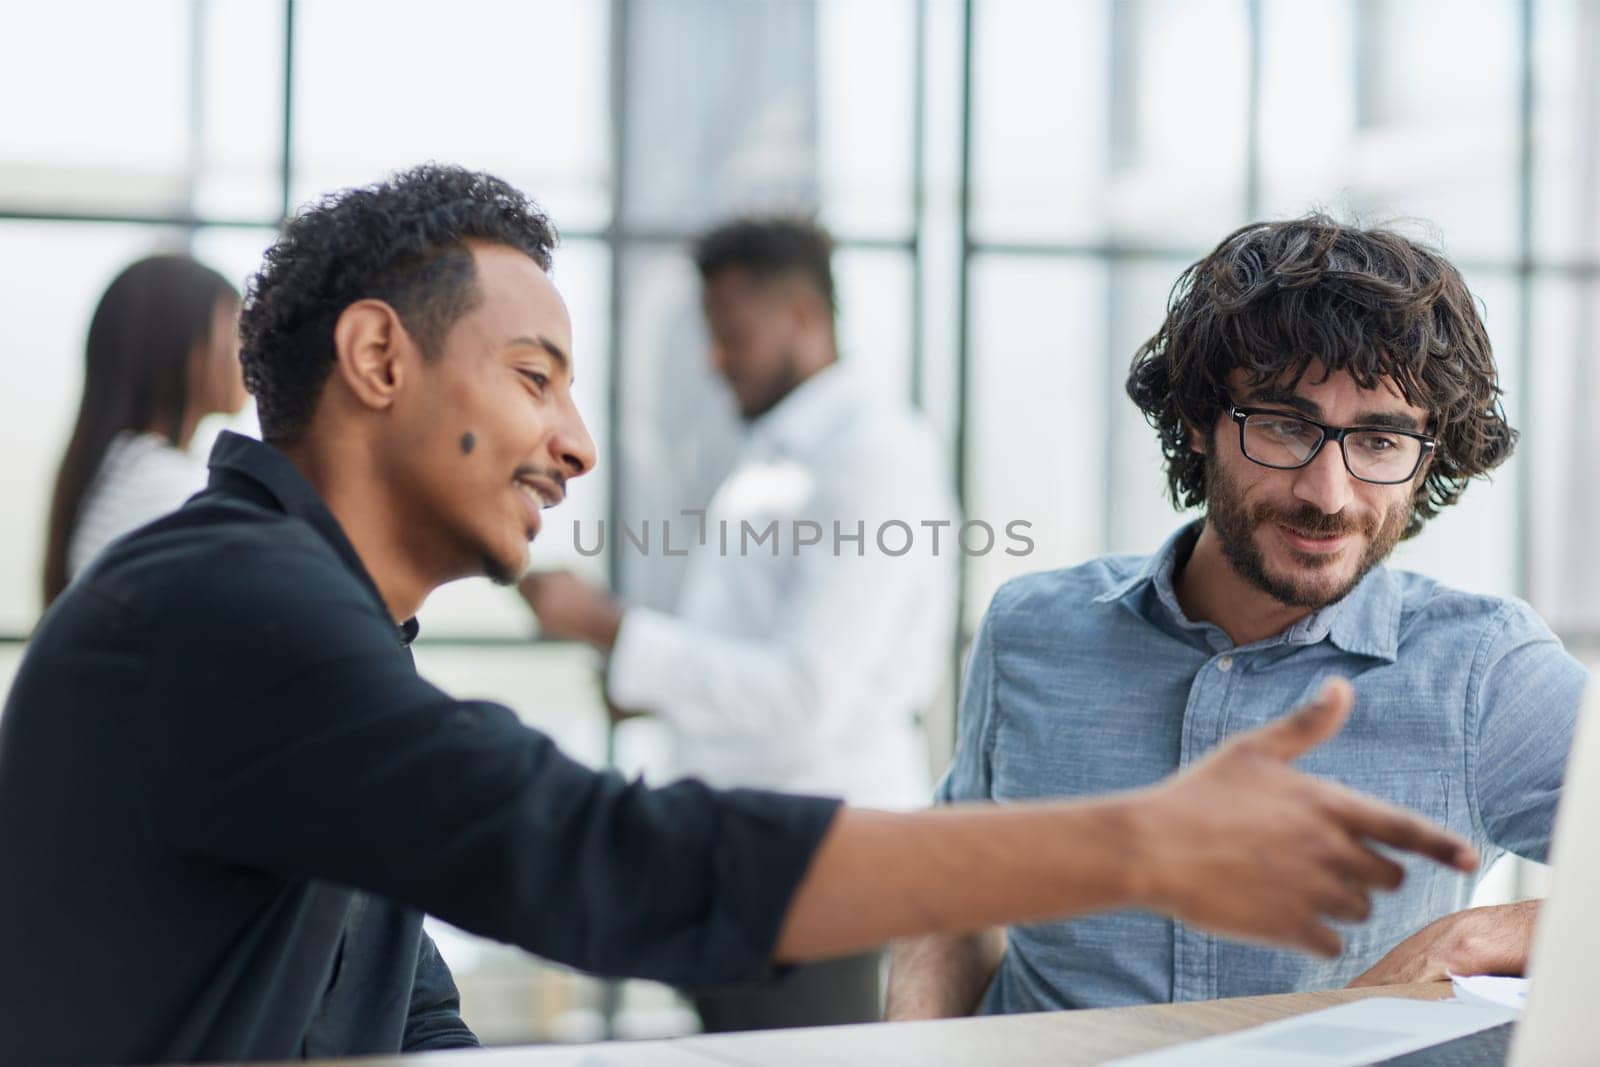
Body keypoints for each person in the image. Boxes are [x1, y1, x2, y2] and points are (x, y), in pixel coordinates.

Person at [0, 169, 1479, 1066]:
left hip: (797, 860)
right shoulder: (232, 605)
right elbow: (578, 852)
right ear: (378, 356)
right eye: (536, 375)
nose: (576, 442)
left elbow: (402, 1009)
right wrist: (1131, 841)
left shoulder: (295, 614)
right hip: (743, 863)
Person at [885, 216, 1588, 1021]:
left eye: (1382, 439)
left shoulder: (1482, 674)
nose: (1329, 493)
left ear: (1428, 453)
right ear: (1199, 419)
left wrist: (1472, 939)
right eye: (1286, 425)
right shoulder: (1029, 631)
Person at [517, 216, 958, 1030]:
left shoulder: (869, 454)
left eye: (734, 335)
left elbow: (803, 694)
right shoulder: (783, 447)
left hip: (820, 864)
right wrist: (647, 686)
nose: (716, 359)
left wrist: (612, 630)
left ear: (803, 317)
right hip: (758, 855)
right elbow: (756, 656)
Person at [42, 254, 244, 607]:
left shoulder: (124, 467)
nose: (247, 349)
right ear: (180, 343)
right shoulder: (164, 487)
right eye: (235, 329)